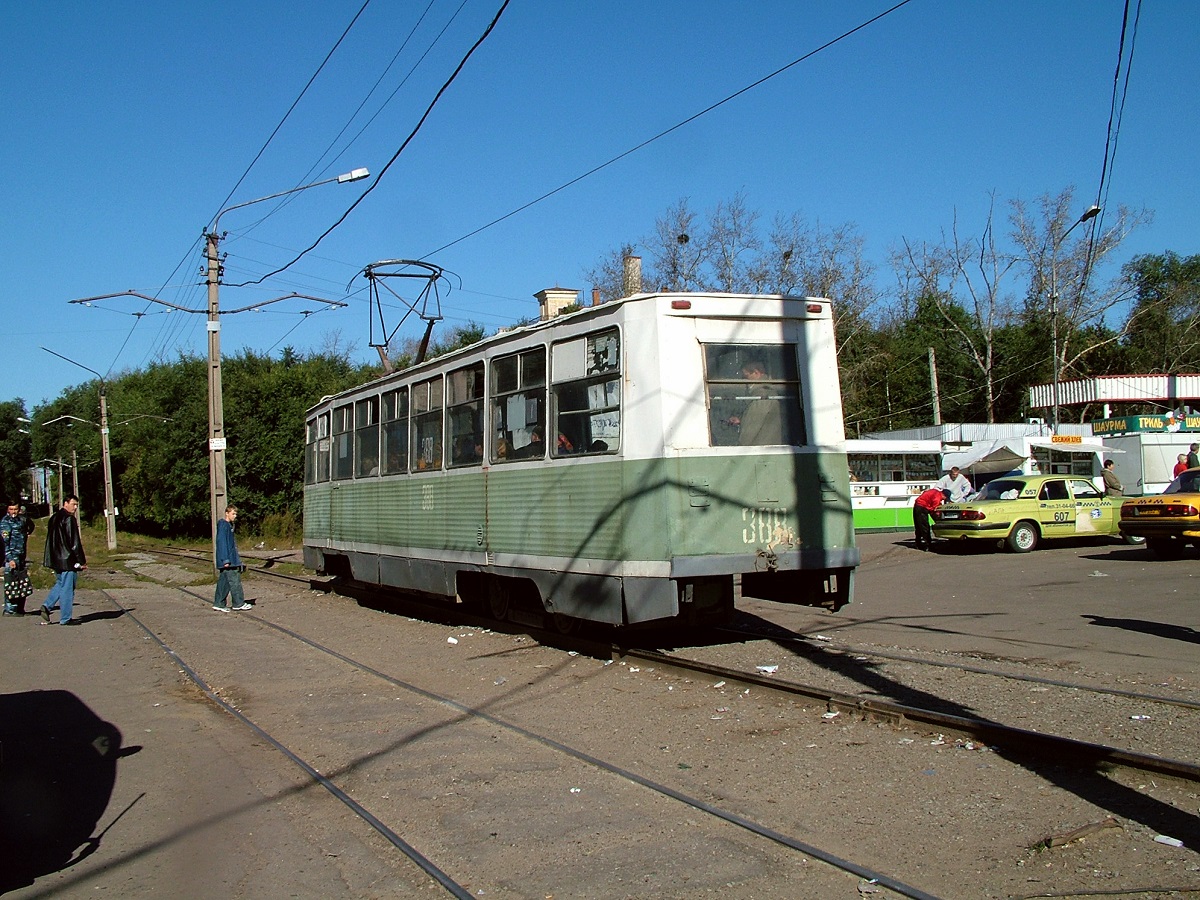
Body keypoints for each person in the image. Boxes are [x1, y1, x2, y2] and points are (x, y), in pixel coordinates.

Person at [39, 495, 87, 626]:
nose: (75, 507)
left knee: (60, 583)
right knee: (67, 588)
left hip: (55, 558)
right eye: (73, 504)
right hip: (67, 559)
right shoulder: (69, 519)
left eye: (77, 505)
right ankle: (65, 618)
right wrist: (81, 561)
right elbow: (74, 542)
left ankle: (47, 606)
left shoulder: (54, 517)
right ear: (65, 503)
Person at [213, 505, 251, 612]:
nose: (235, 516)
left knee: (224, 581)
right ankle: (238, 603)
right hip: (228, 559)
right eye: (233, 513)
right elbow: (222, 543)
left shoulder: (228, 526)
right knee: (235, 580)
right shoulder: (223, 526)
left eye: (236, 514)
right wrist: (225, 559)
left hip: (230, 558)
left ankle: (219, 603)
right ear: (227, 513)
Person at [2, 501, 34, 615]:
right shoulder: (5, 523)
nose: (13, 512)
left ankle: (20, 608)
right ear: (7, 510)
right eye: (11, 509)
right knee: (11, 583)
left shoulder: (21, 520)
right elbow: (5, 543)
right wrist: (10, 559)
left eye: (15, 509)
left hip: (21, 555)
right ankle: (10, 609)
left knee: (21, 582)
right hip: (12, 556)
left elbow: (30, 526)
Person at [912, 488, 950, 552]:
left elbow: (925, 493)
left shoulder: (934, 491)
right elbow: (934, 510)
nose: (943, 499)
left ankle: (918, 543)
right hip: (922, 507)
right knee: (925, 527)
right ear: (944, 495)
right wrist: (937, 520)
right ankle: (928, 545)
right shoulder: (938, 497)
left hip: (917, 505)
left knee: (918, 526)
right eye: (945, 498)